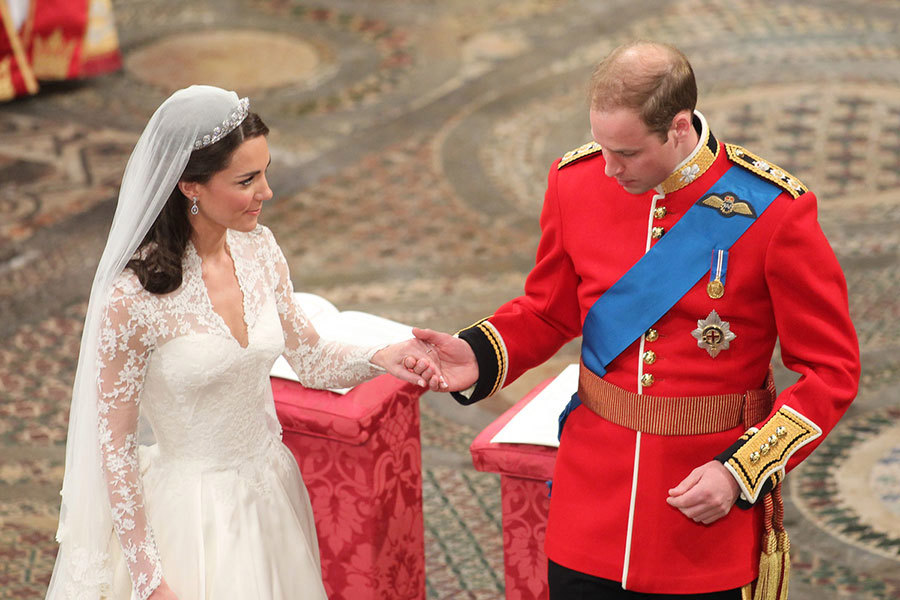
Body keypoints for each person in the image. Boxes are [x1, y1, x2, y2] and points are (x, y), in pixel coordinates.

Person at [412, 41, 860, 598]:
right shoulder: (574, 181)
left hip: (701, 500)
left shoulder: (773, 211)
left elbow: (831, 371)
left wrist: (741, 471)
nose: (608, 167)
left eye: (625, 151)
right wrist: (479, 353)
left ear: (677, 128)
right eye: (600, 146)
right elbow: (548, 310)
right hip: (589, 499)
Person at [45, 85, 445, 600]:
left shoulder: (260, 249)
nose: (267, 192)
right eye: (246, 179)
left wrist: (384, 355)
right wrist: (148, 578)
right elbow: (115, 448)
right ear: (190, 185)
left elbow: (313, 358)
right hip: (191, 520)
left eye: (266, 171)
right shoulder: (133, 297)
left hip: (269, 494)